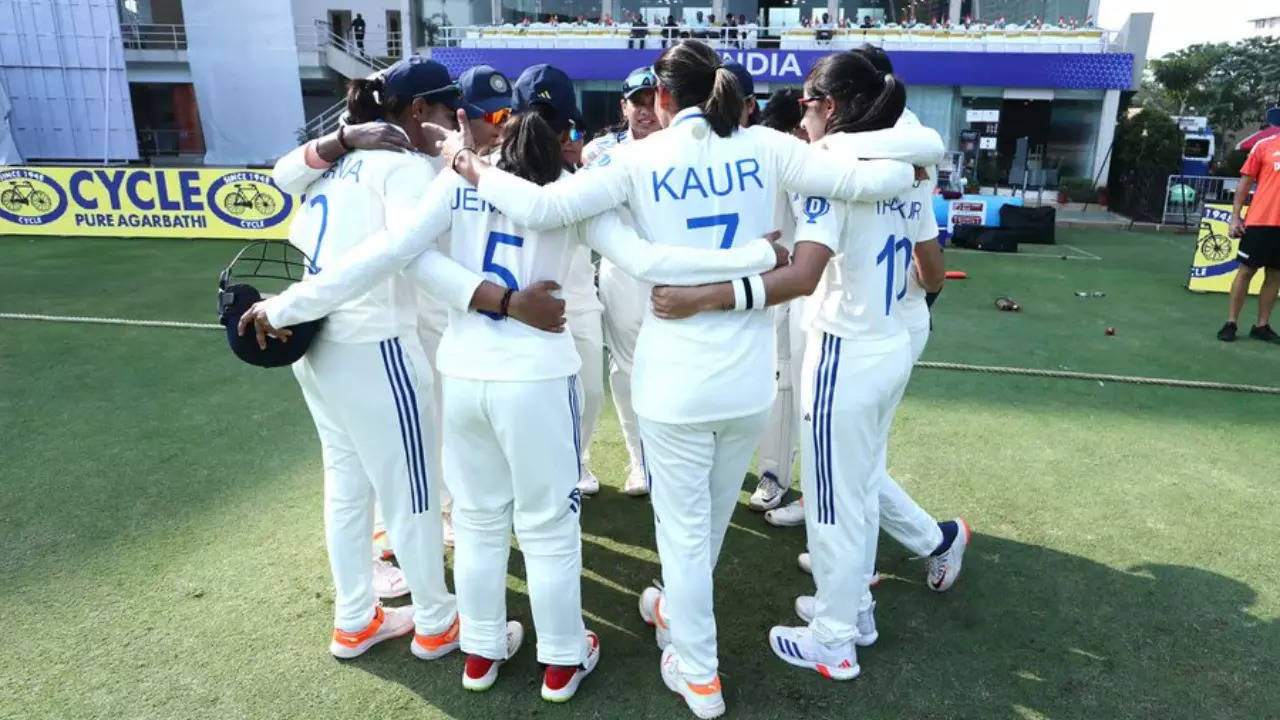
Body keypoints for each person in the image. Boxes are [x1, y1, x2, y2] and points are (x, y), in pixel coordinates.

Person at [250, 60, 790, 701]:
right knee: (548, 524)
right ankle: (561, 658)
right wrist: (761, 255)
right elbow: (649, 261)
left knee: (479, 522)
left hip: (466, 374)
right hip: (537, 378)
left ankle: (480, 653)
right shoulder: (575, 190)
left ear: (481, 125)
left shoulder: (456, 183)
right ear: (567, 130)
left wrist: (285, 306)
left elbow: (394, 254)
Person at [442, 40, 939, 719]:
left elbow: (540, 211)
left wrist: (468, 163)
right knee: (702, 526)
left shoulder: (636, 158)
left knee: (682, 531)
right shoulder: (770, 146)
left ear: (662, 98)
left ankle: (699, 672)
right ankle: (678, 615)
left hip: (674, 380)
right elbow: (871, 180)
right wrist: (914, 165)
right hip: (745, 381)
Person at [245, 57, 562, 665]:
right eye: (450, 113)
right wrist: (504, 302)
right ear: (419, 111)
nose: (460, 125)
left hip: (319, 349)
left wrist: (341, 138)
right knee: (412, 492)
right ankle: (438, 623)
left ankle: (355, 619)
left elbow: (285, 176)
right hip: (372, 342)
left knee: (347, 488)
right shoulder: (407, 170)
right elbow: (401, 257)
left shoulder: (337, 163)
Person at [645, 50, 944, 681]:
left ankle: (834, 638)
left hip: (847, 345)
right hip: (894, 339)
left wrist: (705, 296)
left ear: (829, 107)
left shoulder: (834, 168)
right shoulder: (907, 163)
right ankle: (855, 608)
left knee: (834, 502)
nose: (800, 115)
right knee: (859, 486)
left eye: (806, 103)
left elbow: (802, 277)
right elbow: (933, 267)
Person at [581, 67, 661, 496]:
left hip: (674, 268)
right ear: (623, 106)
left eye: (653, 101)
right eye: (638, 102)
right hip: (623, 272)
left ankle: (673, 458)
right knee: (628, 369)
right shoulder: (600, 151)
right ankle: (641, 463)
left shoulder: (682, 147)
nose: (646, 111)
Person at [1219, 130, 1280, 343]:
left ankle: (1262, 326)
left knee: (1275, 275)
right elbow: (1244, 183)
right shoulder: (1264, 145)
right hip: (1259, 221)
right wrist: (1235, 218)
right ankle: (1231, 322)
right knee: (1245, 272)